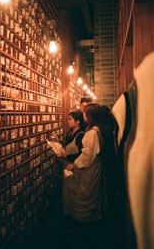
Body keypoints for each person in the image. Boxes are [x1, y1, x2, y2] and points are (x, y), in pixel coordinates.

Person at [63, 104, 106, 247]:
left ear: (90, 116)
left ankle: (85, 236)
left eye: (85, 113)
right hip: (95, 169)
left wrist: (73, 164)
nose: (83, 115)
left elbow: (86, 157)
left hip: (90, 171)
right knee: (91, 198)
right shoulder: (97, 130)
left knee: (86, 198)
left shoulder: (91, 133)